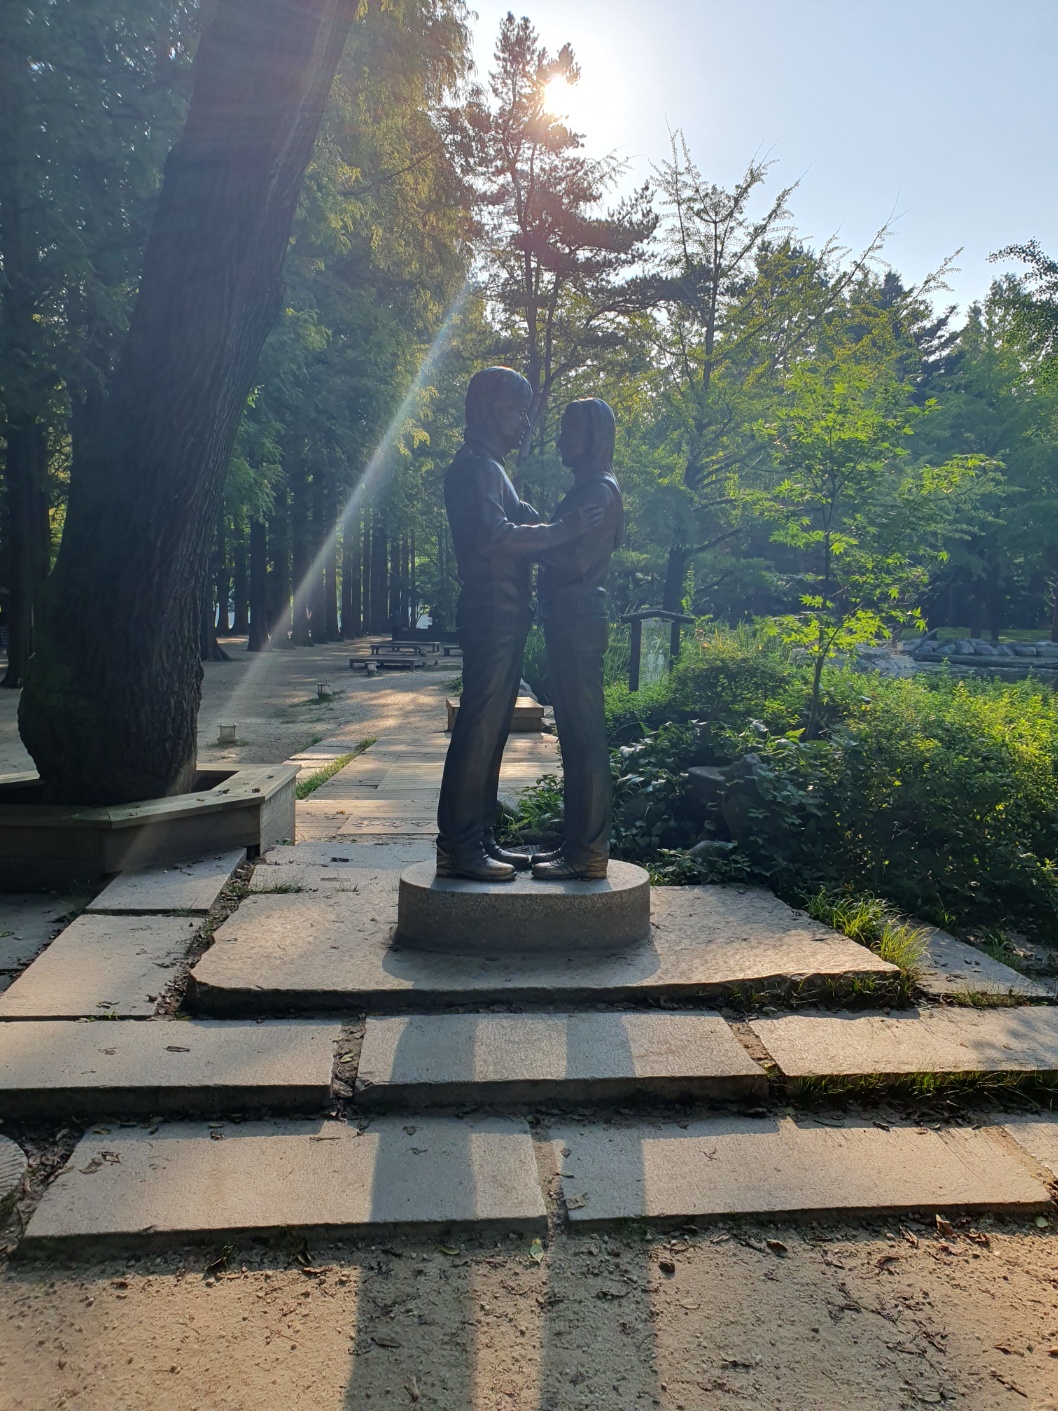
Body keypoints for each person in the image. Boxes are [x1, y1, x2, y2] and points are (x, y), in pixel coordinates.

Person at [436, 368, 603, 881]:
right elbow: (496, 536)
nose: (526, 422)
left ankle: (478, 836)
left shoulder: (491, 469)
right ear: (492, 410)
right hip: (491, 612)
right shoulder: (476, 468)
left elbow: (523, 518)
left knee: (492, 729)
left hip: (504, 613)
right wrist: (564, 529)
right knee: (479, 727)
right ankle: (459, 845)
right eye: (518, 410)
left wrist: (555, 530)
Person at [532, 398, 623, 880]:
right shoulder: (586, 489)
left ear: (593, 437)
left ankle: (587, 853)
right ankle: (579, 846)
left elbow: (577, 561)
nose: (560, 440)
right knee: (573, 734)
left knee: (584, 737)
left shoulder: (599, 493)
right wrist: (551, 534)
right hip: (569, 619)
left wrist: (530, 543)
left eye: (569, 430)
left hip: (579, 620)